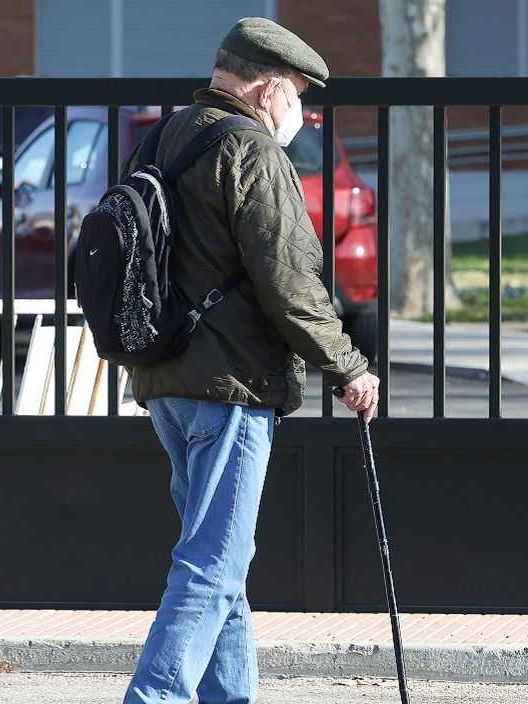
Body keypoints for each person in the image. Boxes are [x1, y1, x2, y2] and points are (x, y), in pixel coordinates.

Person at [122, 16, 380, 704]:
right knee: (211, 565)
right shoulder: (254, 153)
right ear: (269, 89)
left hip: (165, 383)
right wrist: (349, 366)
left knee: (222, 565)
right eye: (298, 92)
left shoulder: (163, 137)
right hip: (229, 389)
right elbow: (292, 280)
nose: (302, 108)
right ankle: (154, 697)